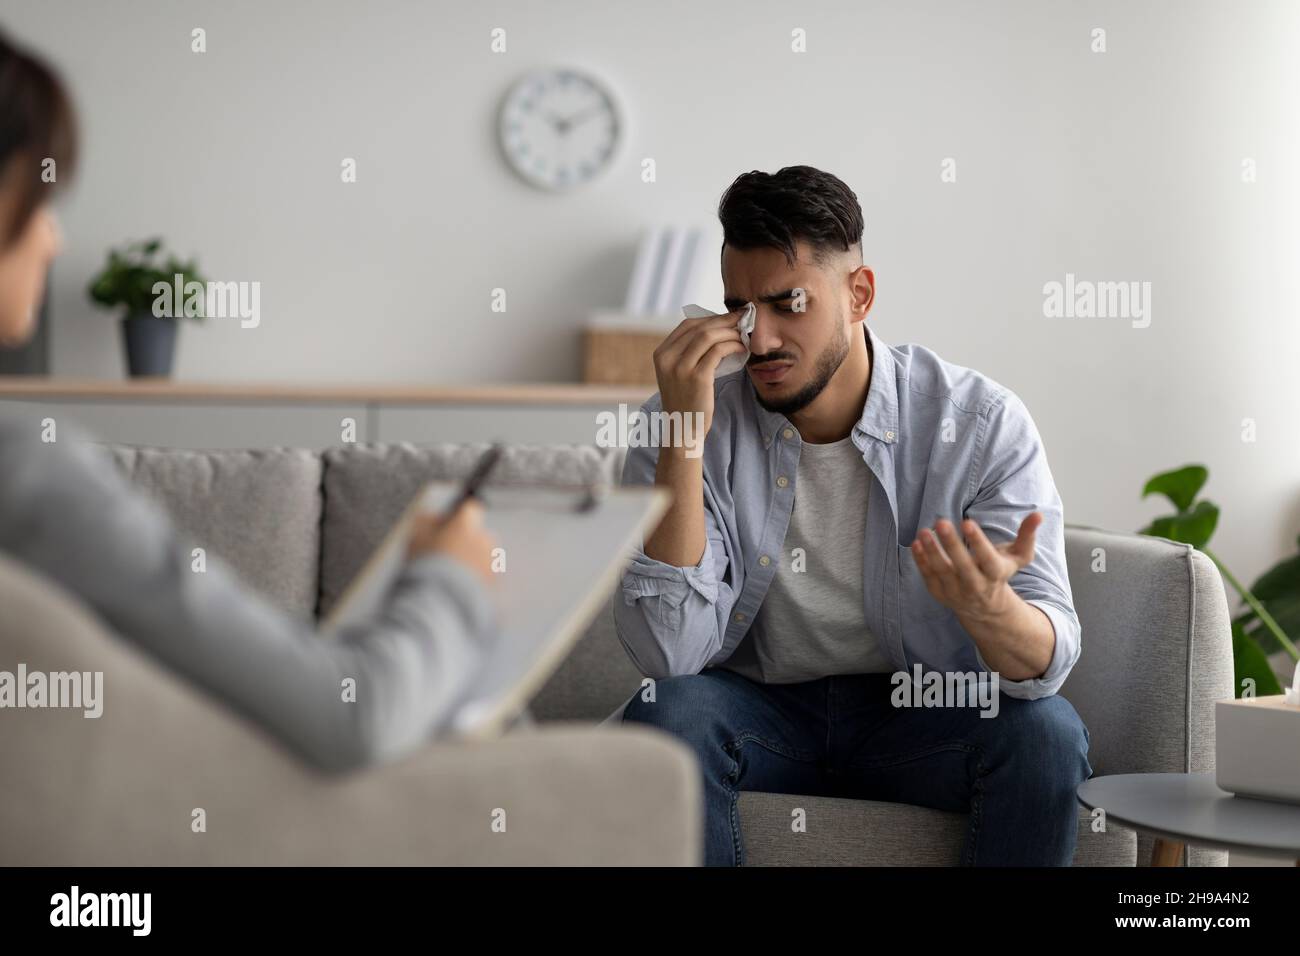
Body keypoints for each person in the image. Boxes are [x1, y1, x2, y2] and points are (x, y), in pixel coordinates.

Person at [0, 30, 502, 772]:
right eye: (38, 200)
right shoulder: (21, 468)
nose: (54, 239)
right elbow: (352, 717)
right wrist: (449, 578)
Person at [616, 164, 1093, 866]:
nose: (761, 340)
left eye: (789, 304)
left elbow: (1045, 665)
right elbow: (668, 657)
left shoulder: (979, 423)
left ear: (859, 295)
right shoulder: (683, 423)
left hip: (923, 708)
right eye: (740, 309)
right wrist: (683, 440)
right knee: (667, 714)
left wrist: (991, 608)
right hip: (757, 708)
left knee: (1047, 734)